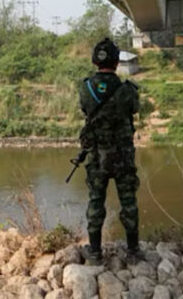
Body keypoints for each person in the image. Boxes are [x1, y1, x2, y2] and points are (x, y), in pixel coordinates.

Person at [78, 37, 142, 265]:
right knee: (129, 202)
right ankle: (133, 252)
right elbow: (134, 109)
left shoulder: (85, 88)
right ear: (117, 63)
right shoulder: (128, 91)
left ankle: (95, 252)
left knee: (96, 201)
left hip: (97, 157)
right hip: (123, 158)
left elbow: (85, 108)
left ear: (95, 61)